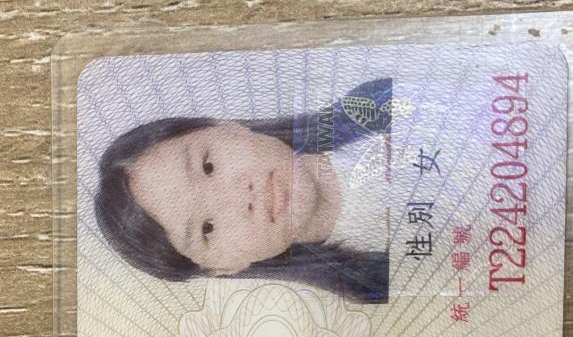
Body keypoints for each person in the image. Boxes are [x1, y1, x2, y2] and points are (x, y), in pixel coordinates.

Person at [92, 78, 394, 303]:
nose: (240, 197)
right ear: (225, 268)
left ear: (225, 127)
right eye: (207, 228)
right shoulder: (377, 299)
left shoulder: (385, 99)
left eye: (208, 166)